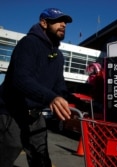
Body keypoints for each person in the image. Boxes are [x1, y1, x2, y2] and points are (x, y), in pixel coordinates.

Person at [0, 8, 76, 167]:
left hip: (35, 117)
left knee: (41, 160)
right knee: (5, 156)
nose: (63, 25)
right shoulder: (29, 43)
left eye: (65, 22)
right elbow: (20, 79)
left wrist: (77, 101)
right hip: (12, 113)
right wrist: (51, 98)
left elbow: (59, 86)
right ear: (44, 23)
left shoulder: (58, 56)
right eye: (57, 21)